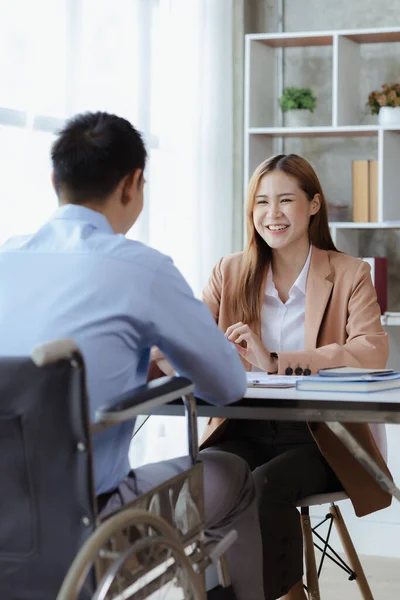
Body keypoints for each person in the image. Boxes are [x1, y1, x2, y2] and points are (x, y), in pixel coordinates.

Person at [0, 112, 264, 600]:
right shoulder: (140, 268)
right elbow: (228, 386)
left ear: (55, 179)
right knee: (234, 474)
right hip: (86, 526)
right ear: (133, 184)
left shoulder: (6, 259)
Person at [197, 154, 393, 600]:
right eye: (262, 202)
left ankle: (287, 595)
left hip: (321, 434)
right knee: (205, 480)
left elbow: (372, 351)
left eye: (286, 200)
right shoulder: (227, 273)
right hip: (241, 426)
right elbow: (189, 342)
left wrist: (276, 360)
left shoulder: (349, 273)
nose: (273, 214)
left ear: (314, 205)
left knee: (267, 486)